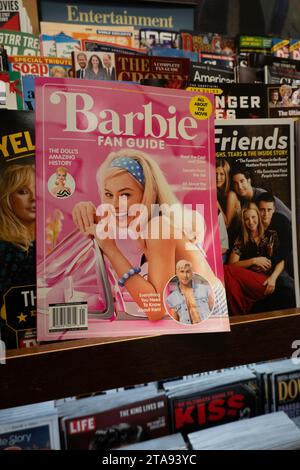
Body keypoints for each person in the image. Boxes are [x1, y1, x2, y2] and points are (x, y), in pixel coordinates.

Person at [72, 149, 227, 322]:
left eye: (125, 194)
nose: (114, 204)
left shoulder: (159, 227)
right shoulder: (147, 219)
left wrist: (110, 249)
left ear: (147, 194)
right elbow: (107, 215)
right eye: (108, 194)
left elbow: (157, 309)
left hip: (210, 317)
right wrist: (84, 208)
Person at [224, 202, 284, 315]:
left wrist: (273, 278)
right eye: (247, 219)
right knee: (228, 276)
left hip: (265, 280)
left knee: (225, 271)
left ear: (258, 217)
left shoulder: (271, 234)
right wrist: (254, 260)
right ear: (243, 221)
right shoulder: (242, 239)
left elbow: (282, 260)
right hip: (248, 282)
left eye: (253, 217)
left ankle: (238, 316)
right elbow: (232, 265)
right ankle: (240, 320)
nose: (250, 222)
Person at [0, 164, 36, 298]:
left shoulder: (51, 243)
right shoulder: (5, 250)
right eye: (23, 192)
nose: (34, 197)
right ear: (8, 199)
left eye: (38, 190)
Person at [166, 260, 214, 324]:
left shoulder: (204, 289)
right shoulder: (172, 298)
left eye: (188, 272)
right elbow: (176, 323)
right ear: (177, 273)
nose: (185, 275)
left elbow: (214, 311)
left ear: (192, 273)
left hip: (206, 327)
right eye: (182, 271)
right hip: (188, 331)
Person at [216, 159, 241, 246]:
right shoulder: (218, 193)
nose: (218, 178)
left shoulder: (231, 195)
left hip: (233, 242)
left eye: (222, 174)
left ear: (227, 176)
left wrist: (214, 201)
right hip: (222, 240)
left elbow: (226, 224)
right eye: (215, 174)